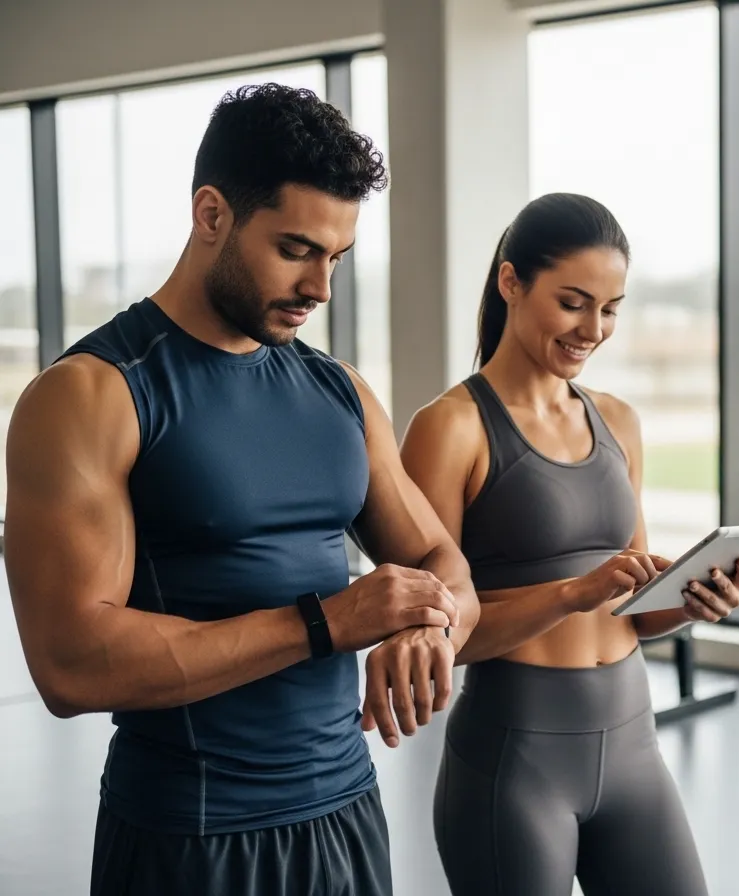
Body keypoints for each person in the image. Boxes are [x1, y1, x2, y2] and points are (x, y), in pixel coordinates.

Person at [4, 83, 480, 896]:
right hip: (192, 835)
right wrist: (331, 622)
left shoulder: (339, 392)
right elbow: (70, 665)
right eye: (296, 249)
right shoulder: (92, 394)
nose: (321, 287)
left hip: (346, 817)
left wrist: (433, 628)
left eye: (337, 258)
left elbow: (441, 557)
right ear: (212, 214)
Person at [399, 192, 739, 896]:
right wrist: (571, 593)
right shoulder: (450, 428)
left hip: (633, 746)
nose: (594, 328)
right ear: (510, 282)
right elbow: (434, 640)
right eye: (574, 302)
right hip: (513, 760)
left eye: (611, 308)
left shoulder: (618, 420)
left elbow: (637, 613)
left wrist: (692, 598)